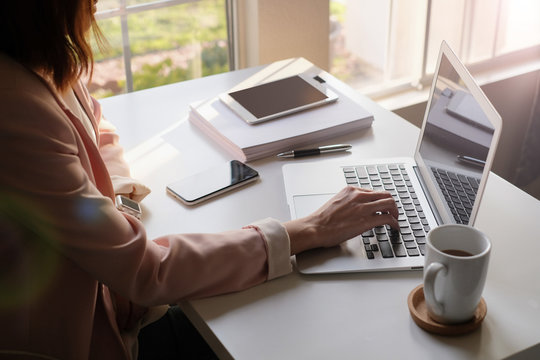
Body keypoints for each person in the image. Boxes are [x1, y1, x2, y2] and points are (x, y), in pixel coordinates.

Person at [0, 1, 399, 359]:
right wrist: (308, 229)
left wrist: (119, 209)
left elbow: (96, 126)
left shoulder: (39, 56)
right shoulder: (15, 110)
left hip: (117, 302)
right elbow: (147, 272)